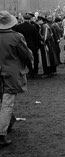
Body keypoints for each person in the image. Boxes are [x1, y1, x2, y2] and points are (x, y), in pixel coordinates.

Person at [0, 11, 33, 147]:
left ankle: (9, 122)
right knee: (7, 103)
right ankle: (2, 134)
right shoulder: (16, 37)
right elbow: (26, 55)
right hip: (11, 74)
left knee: (3, 101)